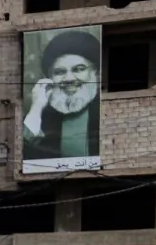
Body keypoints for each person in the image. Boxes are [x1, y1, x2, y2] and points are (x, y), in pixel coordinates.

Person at [23, 28, 101, 167]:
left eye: (79, 69)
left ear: (94, 72)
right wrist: (36, 108)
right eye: (59, 72)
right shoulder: (42, 115)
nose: (69, 79)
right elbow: (22, 156)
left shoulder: (105, 109)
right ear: (50, 78)